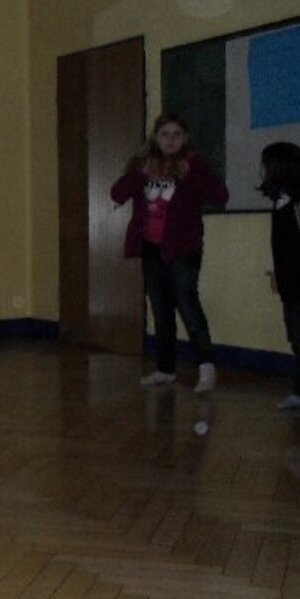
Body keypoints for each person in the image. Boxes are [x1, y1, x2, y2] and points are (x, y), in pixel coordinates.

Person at [110, 113, 228, 393]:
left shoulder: (194, 163)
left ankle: (207, 368)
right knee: (161, 309)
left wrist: (189, 176)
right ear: (156, 137)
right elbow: (117, 194)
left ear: (185, 138)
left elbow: (220, 196)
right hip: (152, 248)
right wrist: (141, 173)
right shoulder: (143, 163)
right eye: (165, 134)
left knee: (188, 305)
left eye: (177, 135)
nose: (171, 140)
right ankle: (165, 369)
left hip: (183, 248)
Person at [259, 142, 300, 410]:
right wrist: (277, 274)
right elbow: (286, 249)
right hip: (292, 286)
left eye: (266, 166)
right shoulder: (280, 204)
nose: (263, 171)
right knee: (298, 340)